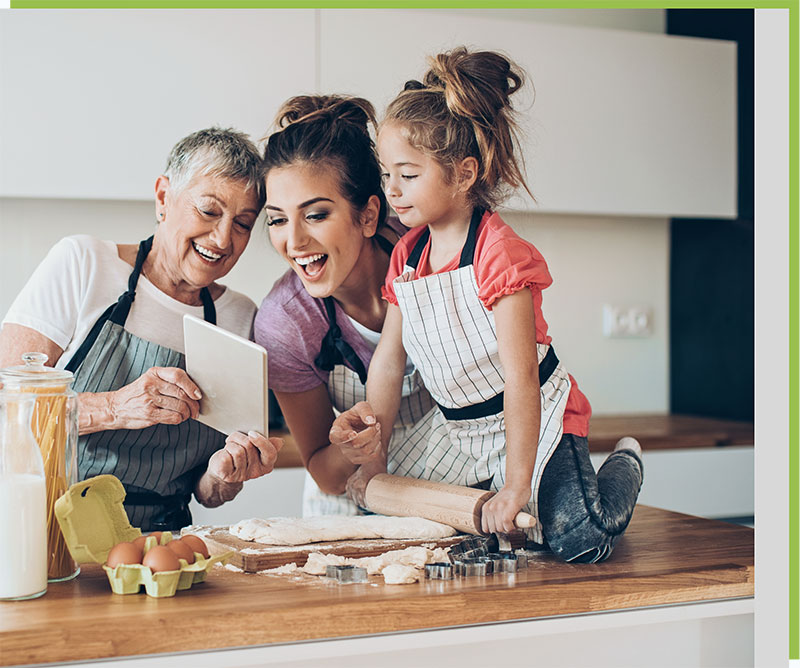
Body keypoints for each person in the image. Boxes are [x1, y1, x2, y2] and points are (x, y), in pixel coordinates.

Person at [332, 48, 644, 563]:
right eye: (386, 175)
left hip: (535, 419)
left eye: (408, 175)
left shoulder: (498, 254)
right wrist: (377, 450)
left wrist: (517, 485)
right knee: (382, 513)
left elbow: (521, 376)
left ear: (463, 174)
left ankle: (624, 466)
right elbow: (388, 361)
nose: (391, 190)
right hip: (458, 429)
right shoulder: (408, 255)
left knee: (578, 537)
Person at [0, 127, 283, 531]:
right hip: (44, 529)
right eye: (209, 210)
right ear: (164, 197)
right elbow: (8, 406)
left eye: (243, 223)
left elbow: (206, 491)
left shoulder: (239, 318)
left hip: (157, 547)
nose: (223, 238)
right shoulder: (83, 264)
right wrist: (116, 408)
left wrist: (225, 473)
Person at [255, 95, 444, 516]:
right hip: (348, 495)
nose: (294, 241)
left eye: (316, 214)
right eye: (278, 219)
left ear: (368, 215)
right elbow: (324, 472)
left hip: (450, 475)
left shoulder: (434, 256)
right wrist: (350, 446)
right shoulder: (286, 322)